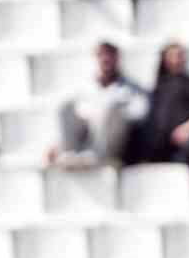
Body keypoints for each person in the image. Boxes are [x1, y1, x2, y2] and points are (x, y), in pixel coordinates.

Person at [49, 41, 148, 169]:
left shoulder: (132, 90)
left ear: (117, 59)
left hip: (113, 144)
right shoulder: (84, 87)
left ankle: (99, 155)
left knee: (114, 113)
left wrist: (108, 113)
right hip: (87, 138)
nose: (105, 59)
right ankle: (69, 153)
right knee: (67, 108)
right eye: (101, 55)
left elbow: (140, 113)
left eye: (109, 55)